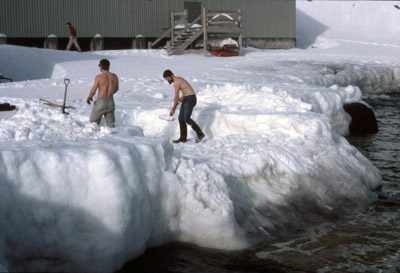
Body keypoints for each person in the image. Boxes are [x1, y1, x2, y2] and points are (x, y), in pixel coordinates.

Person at [163, 69, 205, 143]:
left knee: (186, 118)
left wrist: (173, 108)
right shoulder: (178, 80)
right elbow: (186, 91)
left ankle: (200, 134)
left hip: (190, 99)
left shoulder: (176, 82)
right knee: (181, 118)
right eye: (166, 79)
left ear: (172, 75)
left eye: (168, 78)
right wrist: (181, 99)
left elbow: (176, 96)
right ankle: (183, 138)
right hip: (187, 98)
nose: (168, 80)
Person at [87, 59, 119, 128]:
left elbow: (93, 90)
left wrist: (89, 97)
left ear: (101, 67)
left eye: (99, 66)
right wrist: (109, 93)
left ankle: (92, 137)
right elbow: (116, 89)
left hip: (101, 102)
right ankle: (113, 137)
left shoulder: (99, 77)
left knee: (93, 123)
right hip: (111, 102)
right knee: (111, 125)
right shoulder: (114, 76)